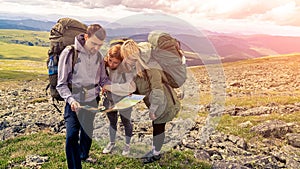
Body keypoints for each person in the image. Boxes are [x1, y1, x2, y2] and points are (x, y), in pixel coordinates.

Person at [113, 39, 181, 164]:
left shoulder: (151, 66)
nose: (126, 61)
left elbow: (157, 90)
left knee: (158, 127)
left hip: (164, 102)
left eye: (127, 57)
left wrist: (153, 109)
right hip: (157, 101)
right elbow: (141, 90)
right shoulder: (136, 68)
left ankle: (155, 154)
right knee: (158, 126)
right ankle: (157, 151)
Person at [56, 24, 109, 169]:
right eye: (94, 44)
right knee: (72, 136)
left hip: (92, 100)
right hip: (74, 101)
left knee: (87, 130)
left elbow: (103, 80)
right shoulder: (70, 53)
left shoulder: (98, 56)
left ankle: (83, 154)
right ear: (86, 37)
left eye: (100, 45)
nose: (97, 48)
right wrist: (71, 101)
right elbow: (61, 84)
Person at [102, 44, 135, 156]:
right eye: (110, 60)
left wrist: (109, 87)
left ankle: (127, 145)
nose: (112, 64)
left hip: (125, 99)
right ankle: (112, 142)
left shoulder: (127, 69)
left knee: (126, 122)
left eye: (115, 62)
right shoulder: (104, 65)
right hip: (110, 98)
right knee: (112, 122)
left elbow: (129, 87)